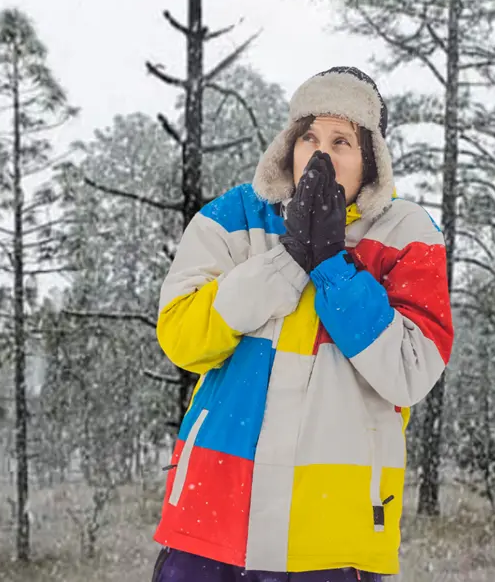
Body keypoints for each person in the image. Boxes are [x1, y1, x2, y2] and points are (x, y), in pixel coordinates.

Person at [150, 67, 453, 581]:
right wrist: (288, 259)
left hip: (332, 530)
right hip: (215, 511)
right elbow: (182, 338)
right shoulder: (234, 217)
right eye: (309, 136)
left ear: (372, 157)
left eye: (342, 141)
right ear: (288, 143)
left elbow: (411, 369)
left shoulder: (409, 233)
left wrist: (332, 267)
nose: (321, 154)